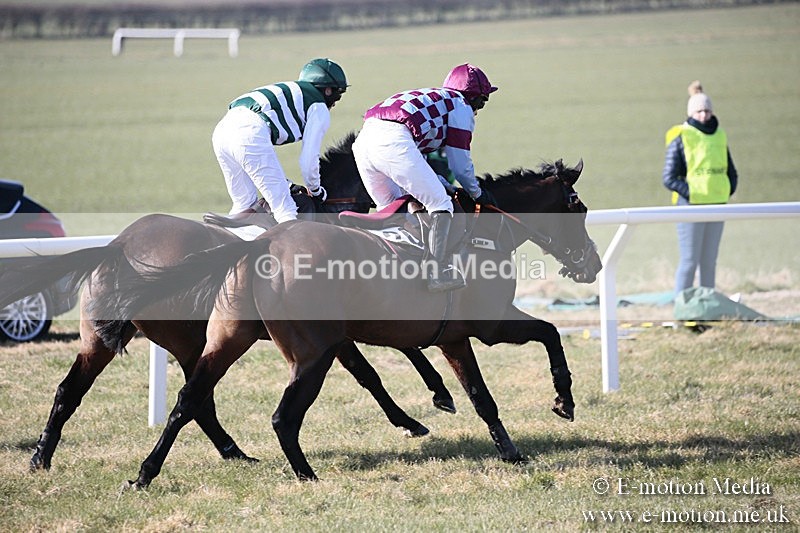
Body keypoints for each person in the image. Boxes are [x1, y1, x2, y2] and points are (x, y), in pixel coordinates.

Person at [352, 63, 498, 292]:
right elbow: (459, 163)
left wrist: (443, 184)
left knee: (394, 209)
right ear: (474, 97)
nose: (480, 108)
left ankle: (396, 272)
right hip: (393, 142)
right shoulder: (460, 105)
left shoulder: (434, 100)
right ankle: (437, 272)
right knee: (440, 203)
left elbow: (417, 164)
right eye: (482, 101)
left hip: (363, 143)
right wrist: (477, 192)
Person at [211, 58, 348, 224]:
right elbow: (308, 161)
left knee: (244, 204)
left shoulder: (294, 91)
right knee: (285, 209)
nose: (334, 104)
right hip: (249, 133)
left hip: (222, 131)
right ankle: (296, 251)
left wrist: (286, 184)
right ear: (328, 91)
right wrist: (316, 190)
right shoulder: (318, 106)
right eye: (338, 95)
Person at [663, 80, 738, 295]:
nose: (704, 116)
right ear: (691, 113)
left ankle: (707, 305)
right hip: (690, 207)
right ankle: (682, 306)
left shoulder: (720, 135)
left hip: (717, 205)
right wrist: (693, 193)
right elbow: (669, 177)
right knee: (689, 260)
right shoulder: (681, 136)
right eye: (699, 112)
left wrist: (726, 188)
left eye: (707, 111)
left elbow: (730, 169)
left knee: (709, 261)